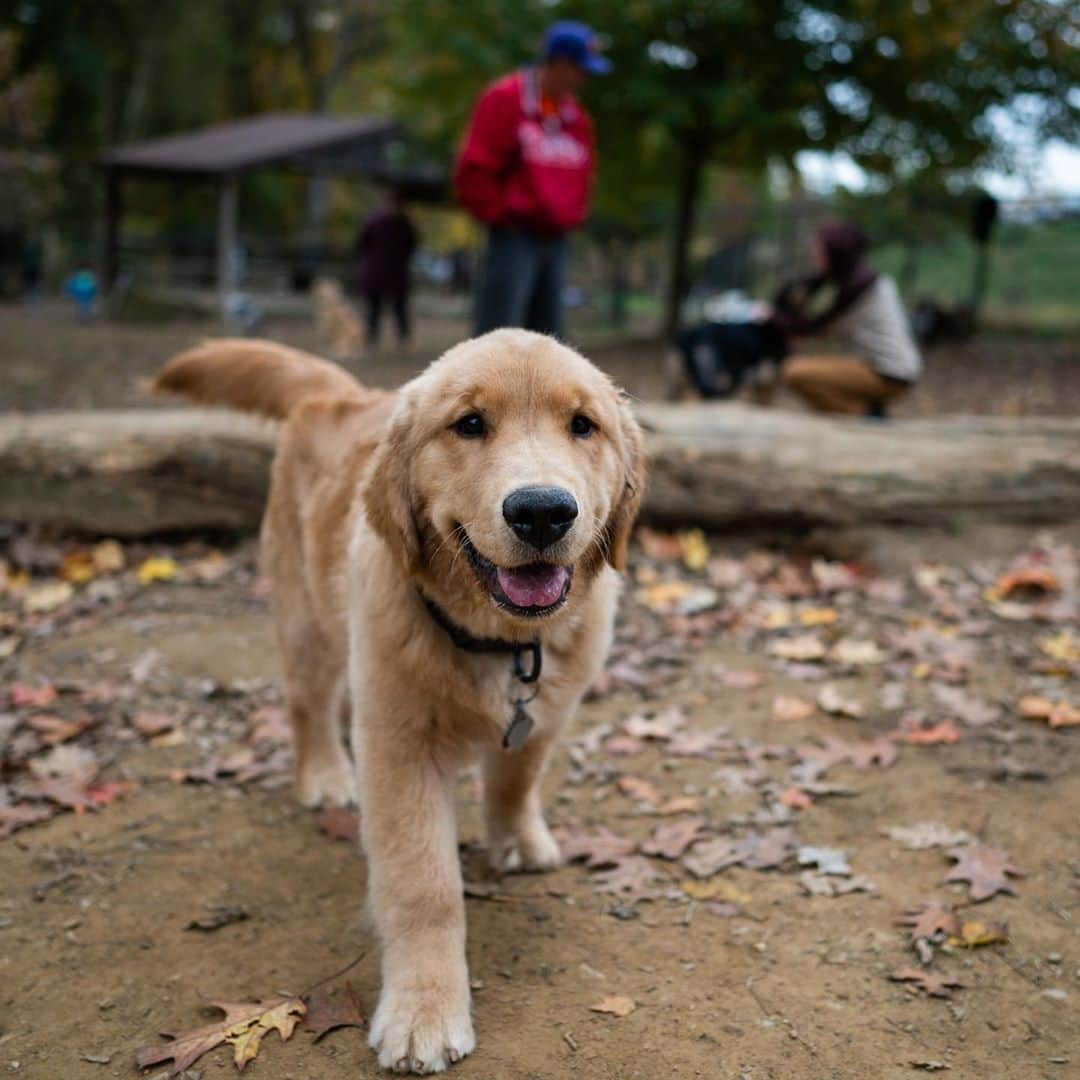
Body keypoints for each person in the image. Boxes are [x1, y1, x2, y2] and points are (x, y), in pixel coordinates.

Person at [454, 20, 609, 338]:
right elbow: (474, 168)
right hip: (513, 234)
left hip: (556, 237)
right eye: (582, 68)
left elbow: (584, 174)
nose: (585, 78)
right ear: (562, 63)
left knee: (550, 337)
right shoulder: (505, 99)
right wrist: (502, 216)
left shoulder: (576, 118)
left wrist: (571, 216)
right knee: (499, 331)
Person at [773, 221, 922, 416]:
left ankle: (867, 414)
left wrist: (771, 317)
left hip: (890, 374)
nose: (814, 257)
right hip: (896, 369)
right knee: (800, 371)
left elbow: (817, 327)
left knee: (793, 372)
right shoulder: (865, 280)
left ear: (835, 253)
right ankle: (869, 412)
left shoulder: (858, 289)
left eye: (819, 251)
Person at [354, 187, 418, 347]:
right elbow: (362, 244)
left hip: (395, 273)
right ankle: (371, 338)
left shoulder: (404, 225)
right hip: (377, 272)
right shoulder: (374, 223)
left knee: (399, 308)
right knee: (374, 309)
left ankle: (403, 339)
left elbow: (412, 246)